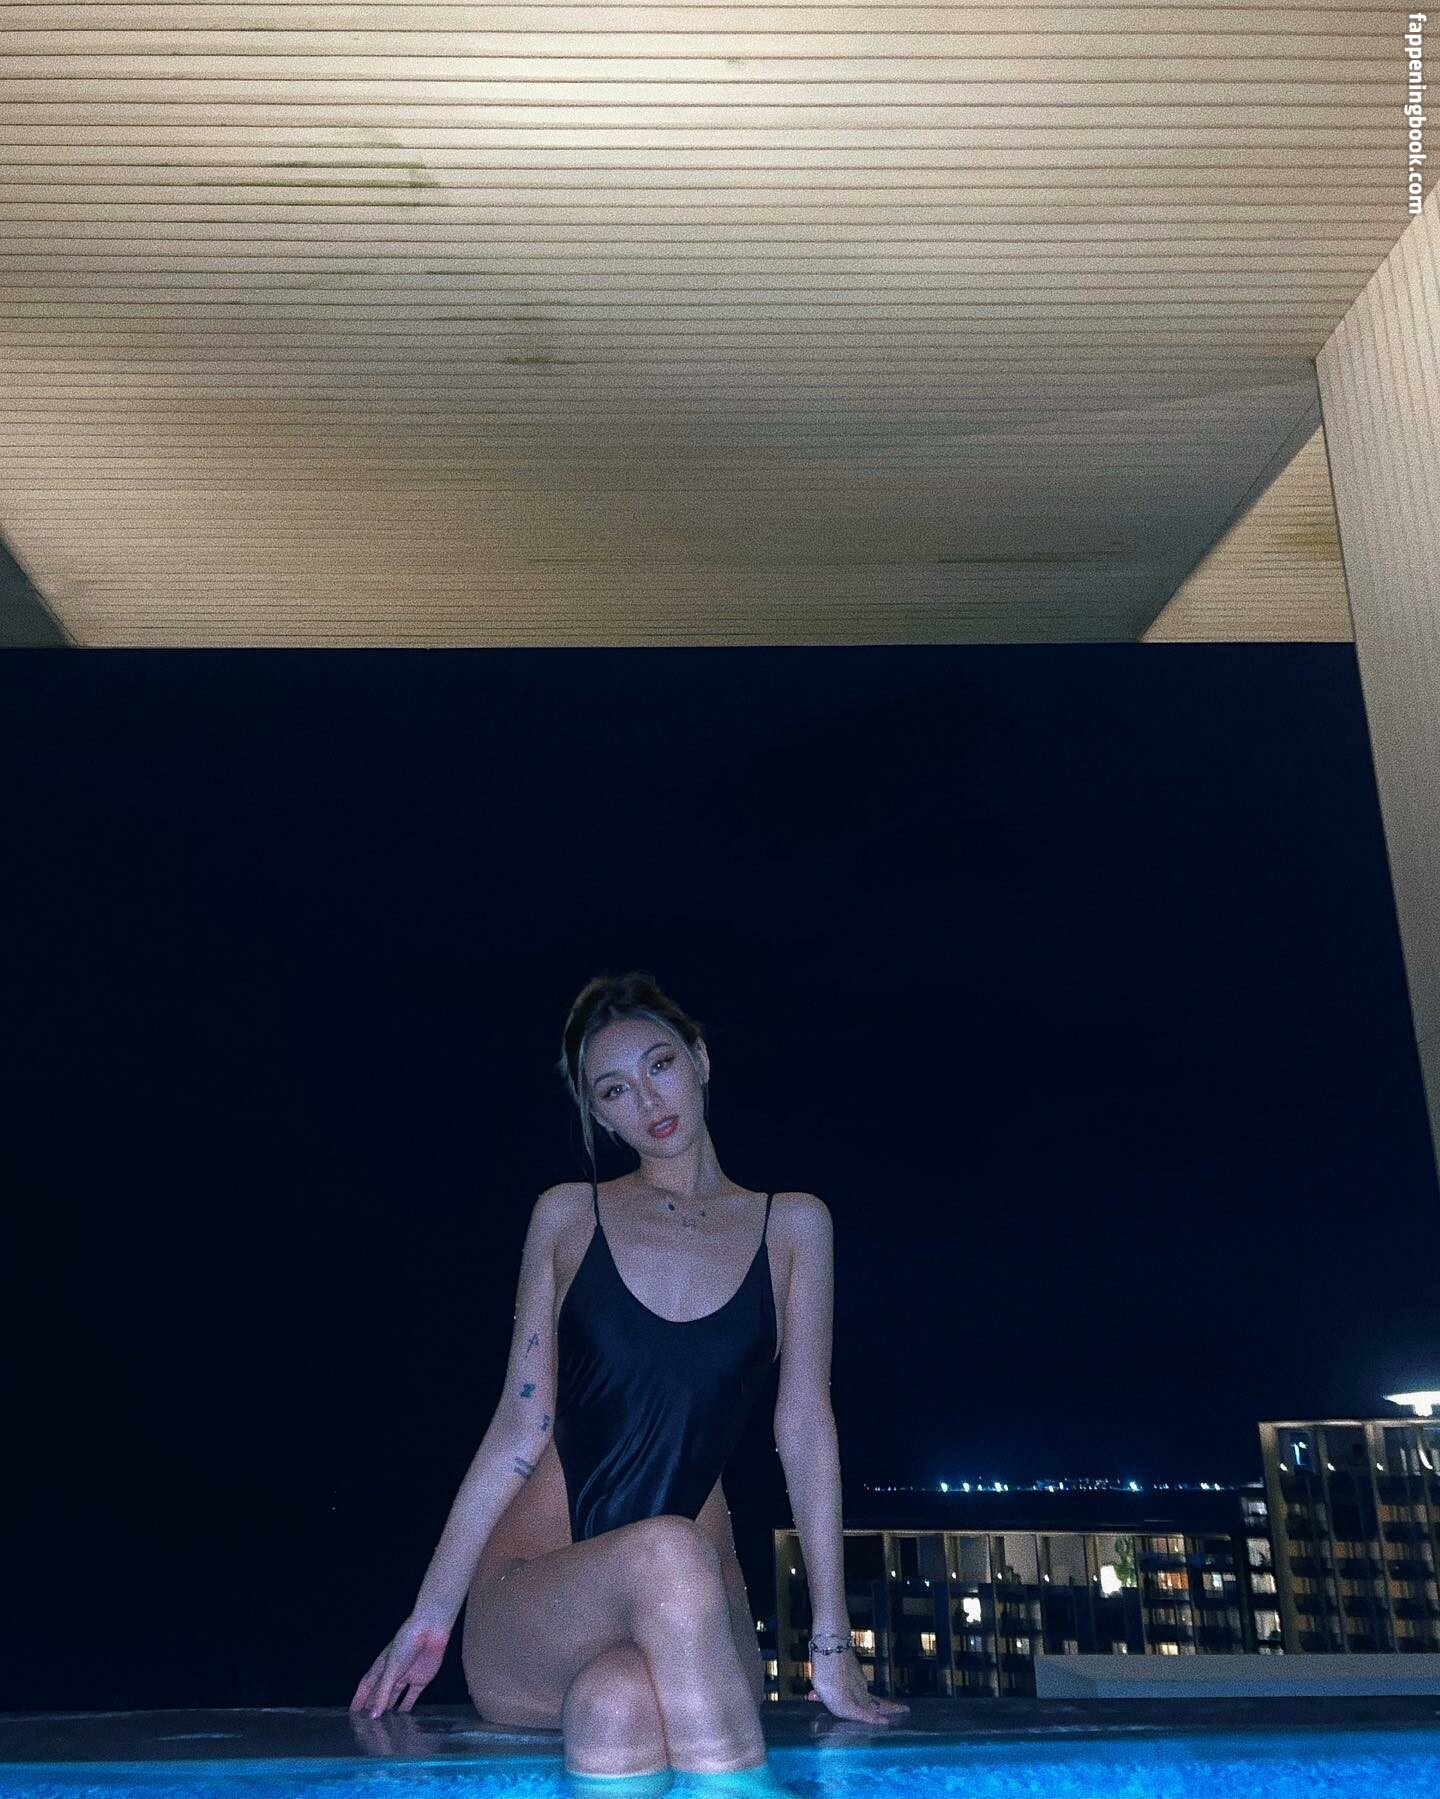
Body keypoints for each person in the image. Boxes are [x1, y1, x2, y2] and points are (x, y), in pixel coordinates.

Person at [350, 970, 908, 1788]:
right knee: (668, 1550)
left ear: (700, 1060)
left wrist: (831, 1641)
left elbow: (804, 1428)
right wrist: (428, 1617)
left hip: (698, 1603)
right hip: (538, 1599)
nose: (647, 1101)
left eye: (660, 1065)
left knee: (616, 1705)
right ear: (599, 1114)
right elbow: (519, 1425)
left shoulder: (794, 1226)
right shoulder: (568, 1215)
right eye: (614, 1089)